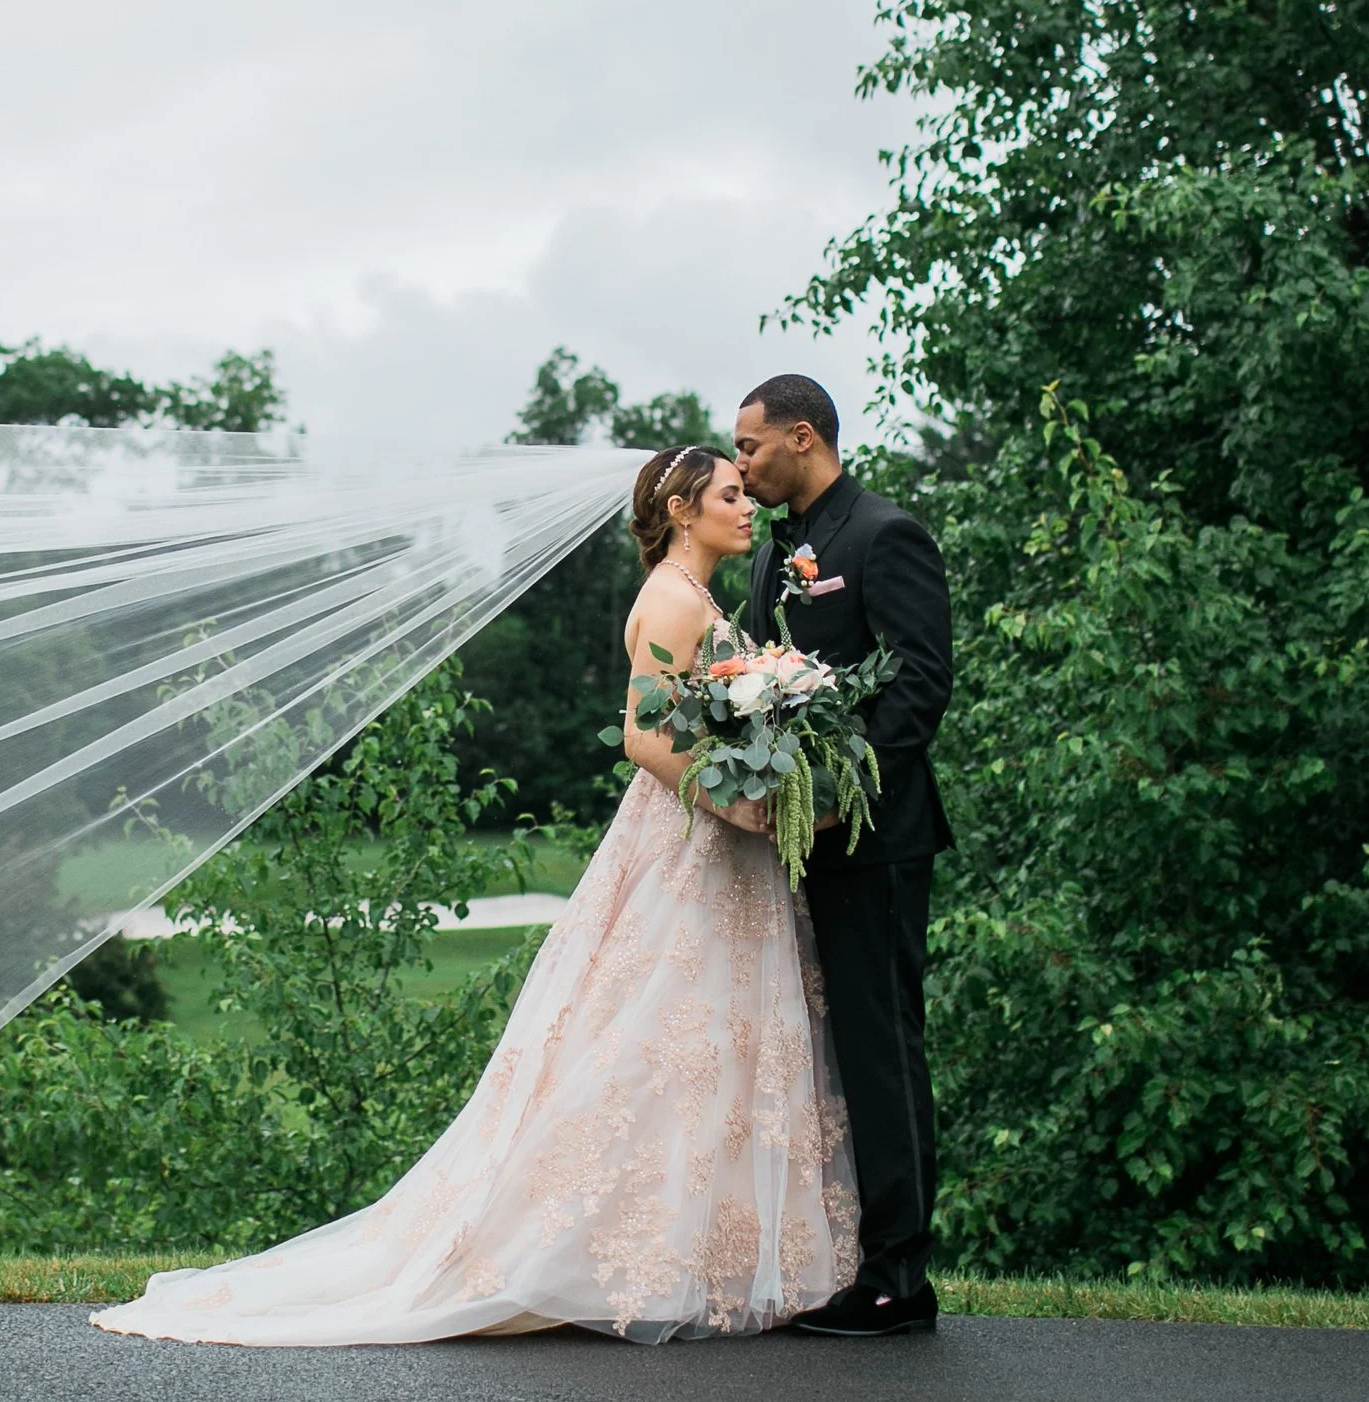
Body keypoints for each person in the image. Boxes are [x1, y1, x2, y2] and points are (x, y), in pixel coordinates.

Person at [92, 445, 863, 1343]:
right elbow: (643, 739)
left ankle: (704, 1255)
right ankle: (610, 1253)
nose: (747, 508)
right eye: (729, 496)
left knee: (702, 1044)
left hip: (718, 849)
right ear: (684, 511)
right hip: (693, 845)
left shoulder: (696, 598)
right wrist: (745, 810)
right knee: (657, 1039)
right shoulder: (665, 597)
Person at [734, 374, 951, 1337]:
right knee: (818, 1053)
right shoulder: (777, 552)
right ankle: (837, 1256)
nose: (741, 463)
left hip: (875, 841)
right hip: (793, 843)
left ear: (803, 437)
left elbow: (917, 687)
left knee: (879, 1050)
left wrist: (831, 798)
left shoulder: (884, 534)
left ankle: (900, 1280)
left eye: (751, 446)